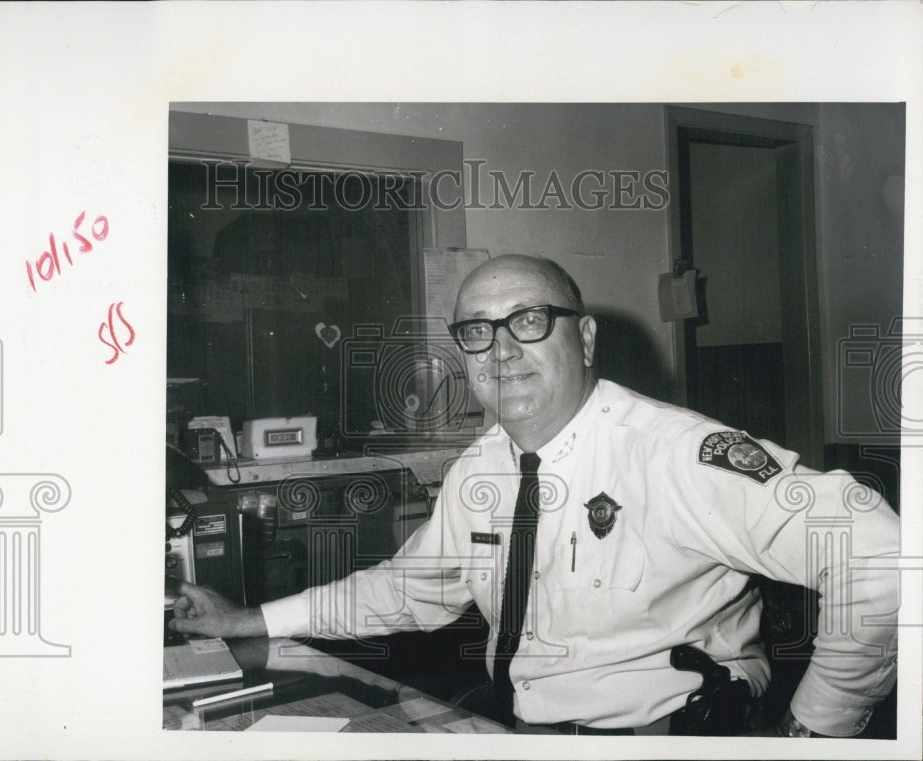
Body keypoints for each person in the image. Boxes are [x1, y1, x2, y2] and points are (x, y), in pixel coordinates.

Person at [171, 254, 899, 737]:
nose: (501, 351)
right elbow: (404, 589)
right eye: (477, 332)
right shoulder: (482, 469)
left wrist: (822, 725)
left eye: (528, 322)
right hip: (521, 728)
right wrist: (250, 618)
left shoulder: (672, 451)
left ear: (583, 339)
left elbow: (879, 556)